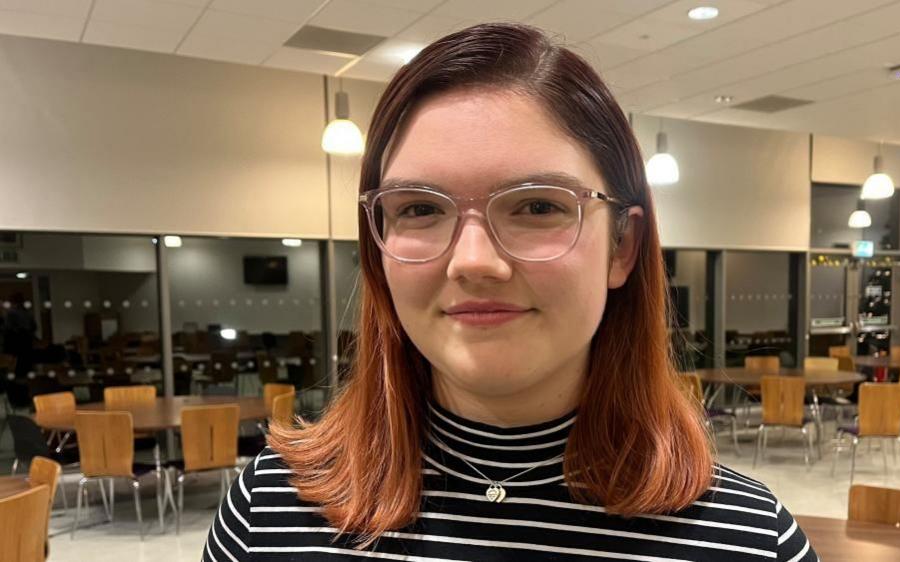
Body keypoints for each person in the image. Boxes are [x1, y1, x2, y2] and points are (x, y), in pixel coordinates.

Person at [205, 23, 817, 562]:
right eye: (419, 208)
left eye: (538, 206)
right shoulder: (266, 515)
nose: (474, 262)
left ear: (622, 247)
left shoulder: (751, 541)